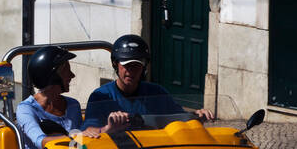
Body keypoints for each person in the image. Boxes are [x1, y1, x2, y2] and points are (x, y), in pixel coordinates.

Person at [15, 45, 117, 149]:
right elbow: (41, 141)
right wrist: (77, 136)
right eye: (66, 71)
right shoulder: (26, 109)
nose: (72, 75)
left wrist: (107, 129)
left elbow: (77, 147)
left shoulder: (72, 105)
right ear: (52, 76)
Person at [84, 34, 214, 129]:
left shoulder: (157, 92)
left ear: (144, 67)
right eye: (126, 65)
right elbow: (89, 131)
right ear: (115, 64)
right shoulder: (100, 96)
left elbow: (179, 118)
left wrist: (197, 116)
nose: (130, 71)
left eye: (136, 66)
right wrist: (109, 128)